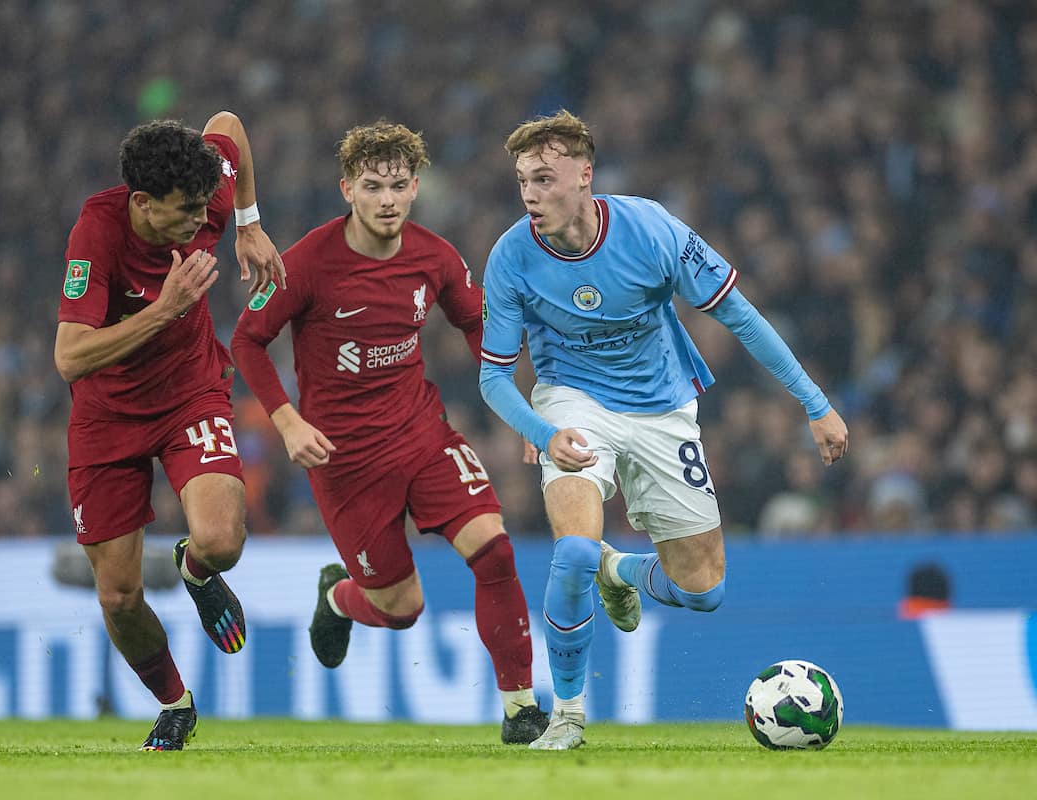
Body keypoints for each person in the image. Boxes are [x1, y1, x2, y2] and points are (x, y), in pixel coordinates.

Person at [478, 110, 849, 750]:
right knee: (570, 551)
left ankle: (618, 572)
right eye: (522, 182)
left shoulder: (650, 229)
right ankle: (566, 717)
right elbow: (492, 380)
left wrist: (814, 403)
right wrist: (542, 431)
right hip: (573, 401)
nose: (530, 195)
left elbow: (739, 315)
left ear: (584, 175)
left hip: (661, 406)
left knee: (702, 591)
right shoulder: (511, 256)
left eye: (543, 178)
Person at [231, 120, 549, 744]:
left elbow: (476, 324)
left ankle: (520, 710)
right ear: (347, 188)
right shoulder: (308, 263)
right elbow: (247, 339)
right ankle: (338, 598)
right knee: (402, 609)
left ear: (416, 188)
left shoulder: (434, 256)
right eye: (373, 187)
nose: (387, 201)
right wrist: (287, 420)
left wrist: (522, 408)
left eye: (399, 186)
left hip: (422, 434)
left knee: (495, 551)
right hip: (344, 464)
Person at [53, 112, 285, 750]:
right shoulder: (97, 233)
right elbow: (70, 356)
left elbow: (231, 126)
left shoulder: (203, 193)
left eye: (203, 210)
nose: (195, 223)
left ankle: (196, 570)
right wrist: (164, 311)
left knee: (222, 539)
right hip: (107, 415)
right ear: (142, 203)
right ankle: (175, 703)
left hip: (189, 393)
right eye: (184, 213)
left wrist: (249, 222)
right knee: (121, 596)